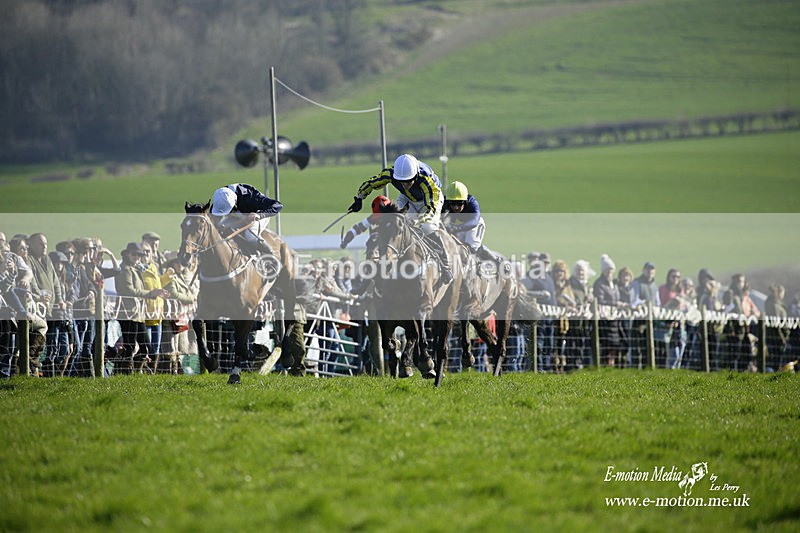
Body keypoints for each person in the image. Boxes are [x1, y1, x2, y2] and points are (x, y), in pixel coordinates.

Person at [347, 154, 452, 284]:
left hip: (429, 200)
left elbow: (431, 209)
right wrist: (360, 198)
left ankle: (445, 264)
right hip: (407, 198)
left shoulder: (427, 180)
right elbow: (372, 182)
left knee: (427, 227)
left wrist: (418, 221)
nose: (405, 185)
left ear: (415, 176)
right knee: (393, 222)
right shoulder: (390, 174)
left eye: (408, 181)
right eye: (402, 181)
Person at [114, 242, 169, 373]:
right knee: (130, 346)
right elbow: (129, 290)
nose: (137, 257)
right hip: (128, 313)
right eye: (134, 254)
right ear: (127, 254)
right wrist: (151, 293)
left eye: (139, 255)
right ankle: (125, 372)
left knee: (145, 346)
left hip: (137, 314)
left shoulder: (134, 269)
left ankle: (134, 371)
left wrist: (155, 292)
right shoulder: (126, 269)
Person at [27, 233, 67, 377]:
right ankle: (29, 370)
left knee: (43, 344)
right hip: (35, 307)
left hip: (49, 309)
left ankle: (34, 370)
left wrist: (60, 299)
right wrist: (39, 298)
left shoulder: (47, 260)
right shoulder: (29, 260)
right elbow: (32, 283)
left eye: (45, 244)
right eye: (40, 244)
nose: (44, 247)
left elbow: (56, 283)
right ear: (31, 244)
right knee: (33, 340)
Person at [210, 183, 283, 256]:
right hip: (238, 216)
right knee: (219, 229)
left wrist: (259, 215)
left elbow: (277, 205)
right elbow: (214, 219)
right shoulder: (220, 198)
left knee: (250, 236)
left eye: (230, 210)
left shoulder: (250, 197)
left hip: (258, 215)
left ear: (234, 202)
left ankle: (270, 256)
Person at [441, 180, 498, 264]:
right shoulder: (444, 203)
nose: (456, 207)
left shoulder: (472, 203)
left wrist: (455, 228)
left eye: (459, 203)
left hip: (473, 225)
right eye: (453, 203)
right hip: (456, 227)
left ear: (465, 201)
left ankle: (496, 260)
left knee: (472, 248)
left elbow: (474, 221)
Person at [592, 254, 625, 367]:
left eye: (611, 270)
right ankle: (603, 365)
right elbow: (600, 300)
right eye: (607, 270)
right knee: (605, 344)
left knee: (614, 344)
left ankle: (612, 365)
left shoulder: (614, 284)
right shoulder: (599, 284)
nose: (609, 272)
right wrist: (616, 304)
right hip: (604, 318)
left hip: (615, 318)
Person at [764, 284, 789, 370]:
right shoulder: (774, 306)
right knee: (775, 360)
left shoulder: (777, 304)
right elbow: (776, 324)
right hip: (776, 337)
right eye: (782, 292)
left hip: (778, 336)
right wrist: (782, 339)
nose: (783, 294)